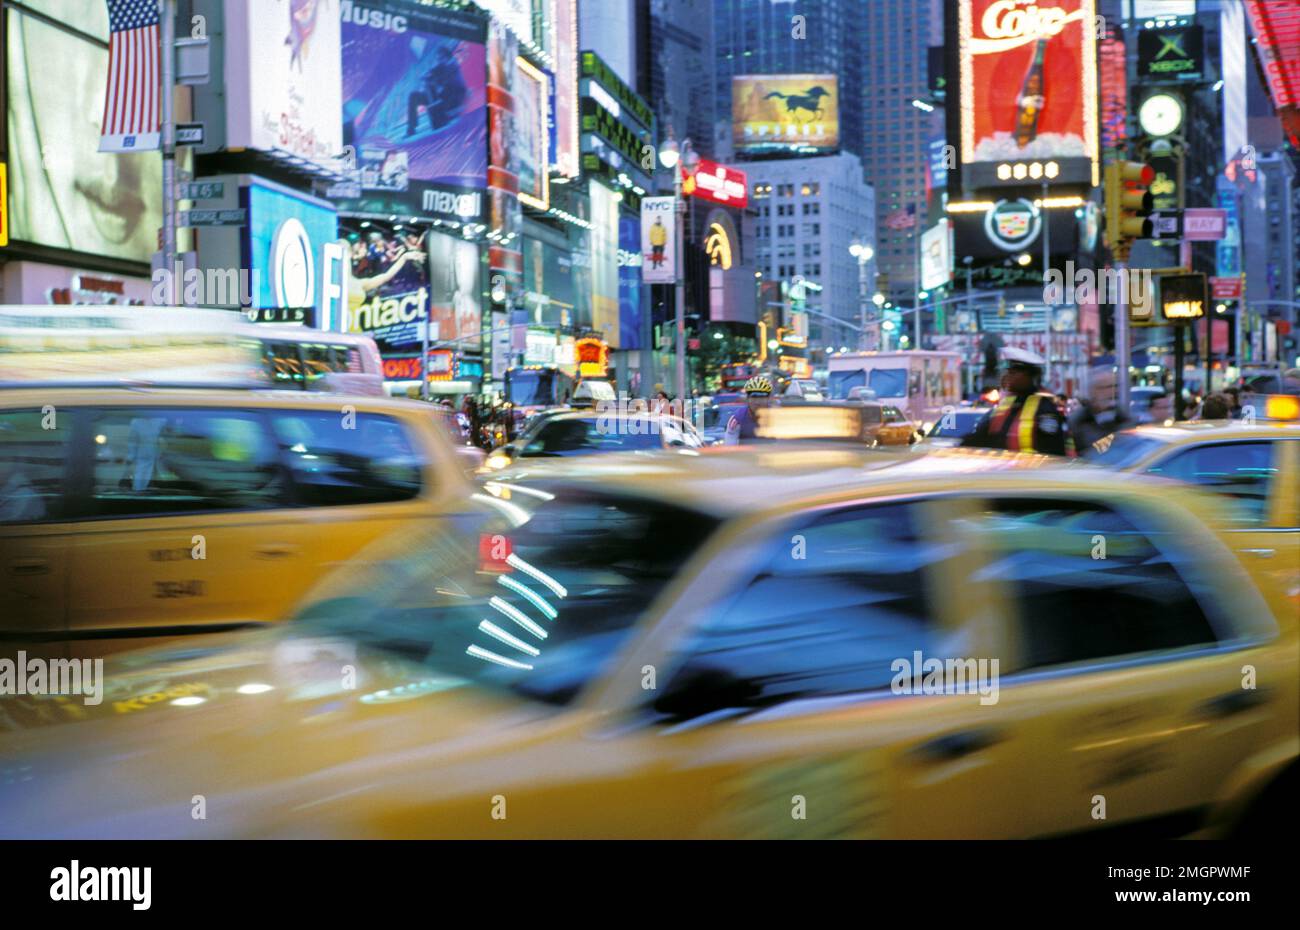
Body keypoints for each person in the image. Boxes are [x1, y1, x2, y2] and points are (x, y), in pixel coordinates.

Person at [961, 348, 1075, 456]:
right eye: (1009, 372)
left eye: (1014, 373)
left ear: (1030, 376)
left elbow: (1053, 451)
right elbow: (982, 437)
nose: (1008, 376)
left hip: (1031, 474)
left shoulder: (1044, 408)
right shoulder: (1005, 405)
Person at [723, 376, 774, 445]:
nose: (758, 402)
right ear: (747, 399)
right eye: (754, 397)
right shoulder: (737, 419)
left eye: (762, 397)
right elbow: (729, 446)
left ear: (769, 399)